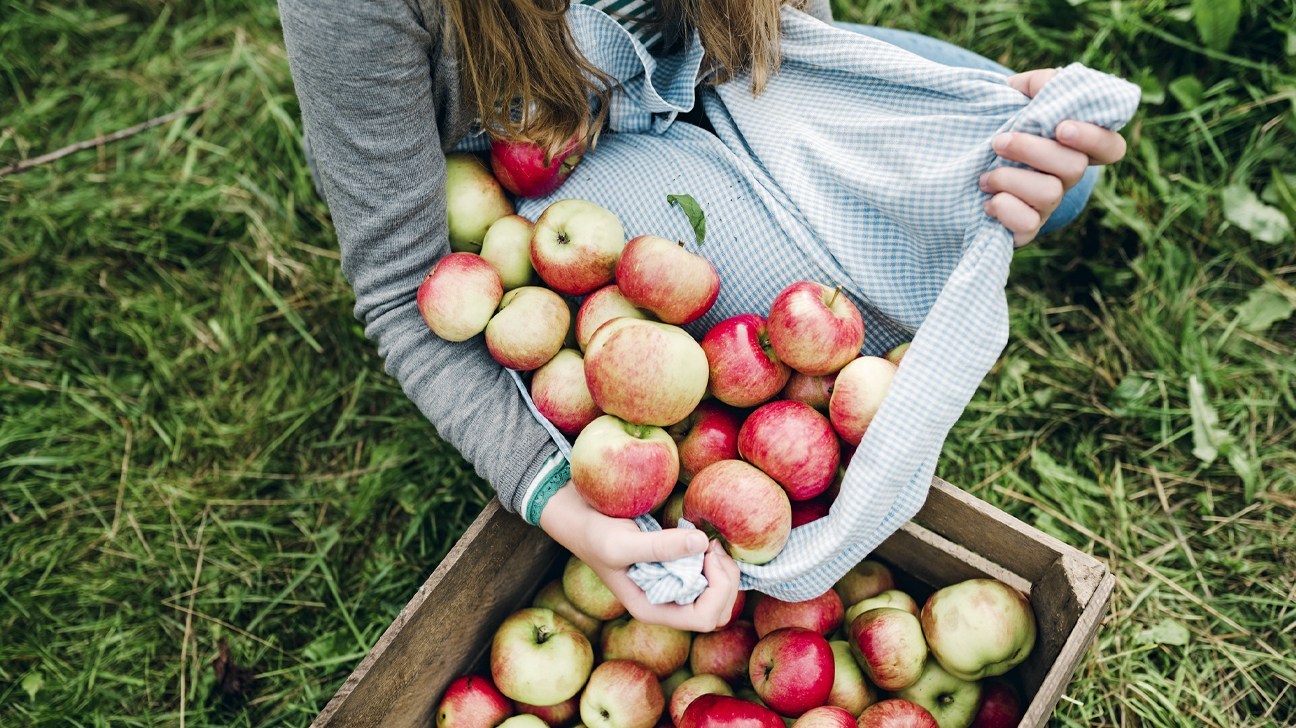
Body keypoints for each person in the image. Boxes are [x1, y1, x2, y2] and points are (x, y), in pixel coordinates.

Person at [279, 0, 1128, 633]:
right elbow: (401, 291)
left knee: (1054, 177)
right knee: (775, 348)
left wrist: (928, 118)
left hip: (718, 75)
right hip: (550, 166)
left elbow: (781, 29)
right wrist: (574, 516)